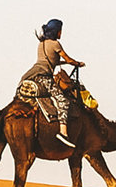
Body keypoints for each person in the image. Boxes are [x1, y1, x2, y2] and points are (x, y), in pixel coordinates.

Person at [21, 18, 84, 146]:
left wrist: (65, 62)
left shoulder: (42, 44)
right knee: (63, 100)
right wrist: (77, 63)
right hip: (44, 77)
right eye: (60, 30)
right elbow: (67, 58)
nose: (61, 33)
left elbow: (50, 60)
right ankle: (63, 132)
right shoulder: (55, 44)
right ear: (57, 31)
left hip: (34, 74)